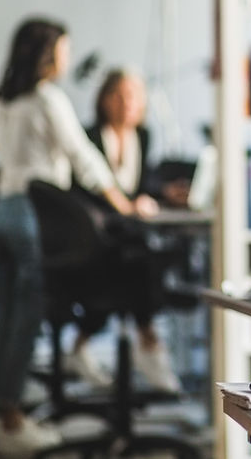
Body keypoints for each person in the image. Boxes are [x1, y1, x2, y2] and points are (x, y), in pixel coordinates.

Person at [0, 18, 146, 456]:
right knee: (25, 317)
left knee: (5, 317)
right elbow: (83, 156)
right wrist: (120, 202)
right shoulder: (47, 99)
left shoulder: (5, 98)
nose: (67, 57)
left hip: (0, 211)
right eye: (63, 49)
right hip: (32, 214)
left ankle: (4, 409)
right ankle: (12, 422)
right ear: (46, 54)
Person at [65, 68, 182, 392]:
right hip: (94, 233)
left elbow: (139, 186)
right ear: (104, 99)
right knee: (136, 264)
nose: (126, 103)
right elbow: (84, 189)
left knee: (135, 261)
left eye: (133, 96)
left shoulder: (143, 137)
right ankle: (149, 342)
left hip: (128, 233)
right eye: (119, 95)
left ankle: (82, 345)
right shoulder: (87, 137)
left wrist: (160, 194)